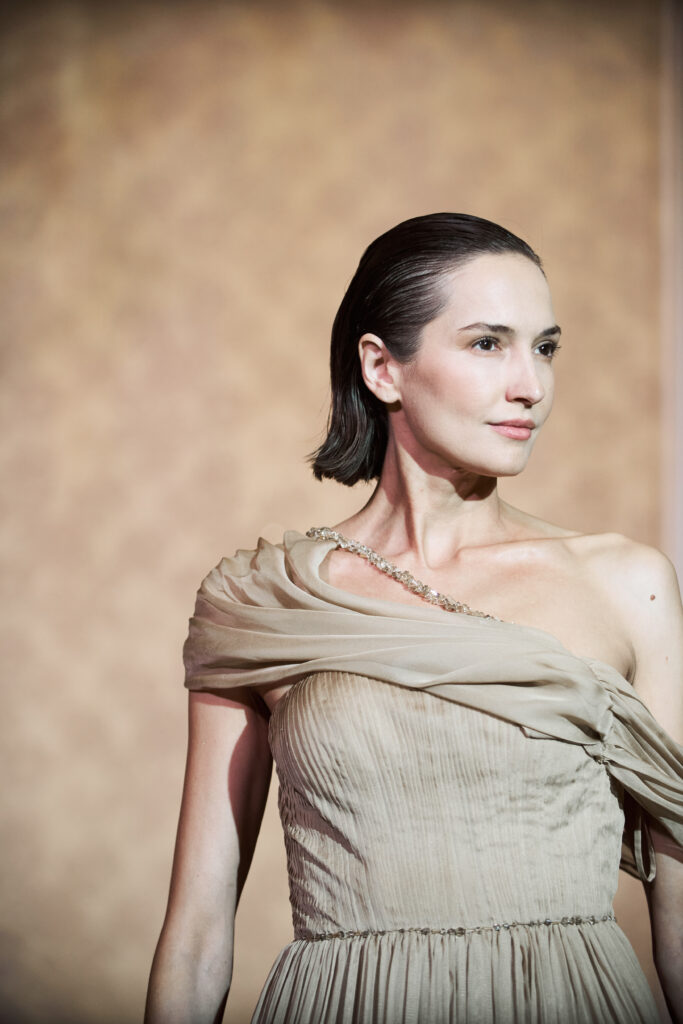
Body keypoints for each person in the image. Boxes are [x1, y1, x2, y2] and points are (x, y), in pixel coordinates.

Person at [144, 213, 683, 1024]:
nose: (530, 386)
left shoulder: (624, 583)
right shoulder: (262, 603)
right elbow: (195, 935)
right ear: (381, 368)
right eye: (487, 344)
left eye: (544, 348)